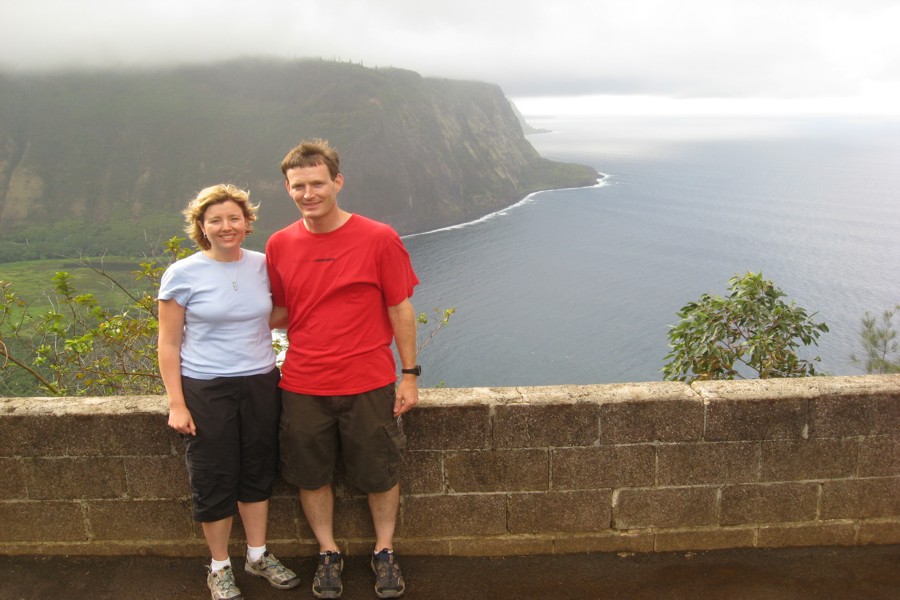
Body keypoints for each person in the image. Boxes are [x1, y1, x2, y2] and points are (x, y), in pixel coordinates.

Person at [266, 139, 420, 599]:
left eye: (317, 183)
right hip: (302, 382)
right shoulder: (279, 244)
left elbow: (400, 307)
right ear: (287, 189)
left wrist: (409, 374)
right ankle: (328, 552)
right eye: (298, 186)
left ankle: (384, 551)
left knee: (379, 473)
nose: (308, 193)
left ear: (337, 182)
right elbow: (278, 310)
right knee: (311, 475)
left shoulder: (378, 237)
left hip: (369, 380)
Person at [158, 184, 300, 600]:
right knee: (215, 475)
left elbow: (280, 312)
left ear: (247, 222)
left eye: (234, 218)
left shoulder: (262, 265)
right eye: (215, 220)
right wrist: (177, 403)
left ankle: (257, 556)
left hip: (260, 380)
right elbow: (168, 343)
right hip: (206, 387)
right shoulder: (182, 274)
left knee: (258, 469)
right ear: (201, 227)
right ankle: (219, 566)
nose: (226, 227)